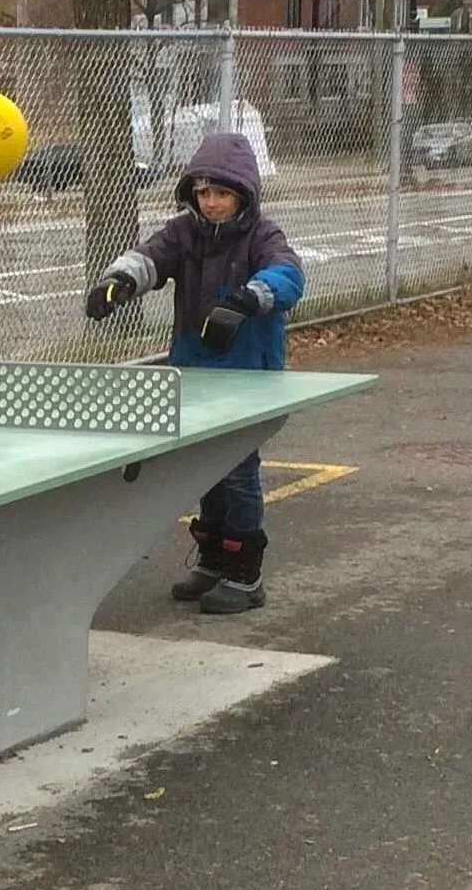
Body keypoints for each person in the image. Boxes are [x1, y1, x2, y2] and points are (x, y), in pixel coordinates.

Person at [81, 132, 305, 614]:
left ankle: (245, 574)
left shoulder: (264, 236)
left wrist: (248, 299)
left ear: (243, 193)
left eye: (221, 193)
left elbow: (287, 276)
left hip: (249, 377)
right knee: (205, 472)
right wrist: (118, 280)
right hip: (196, 373)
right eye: (203, 194)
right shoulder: (186, 232)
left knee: (238, 473)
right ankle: (211, 559)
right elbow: (151, 257)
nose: (212, 203)